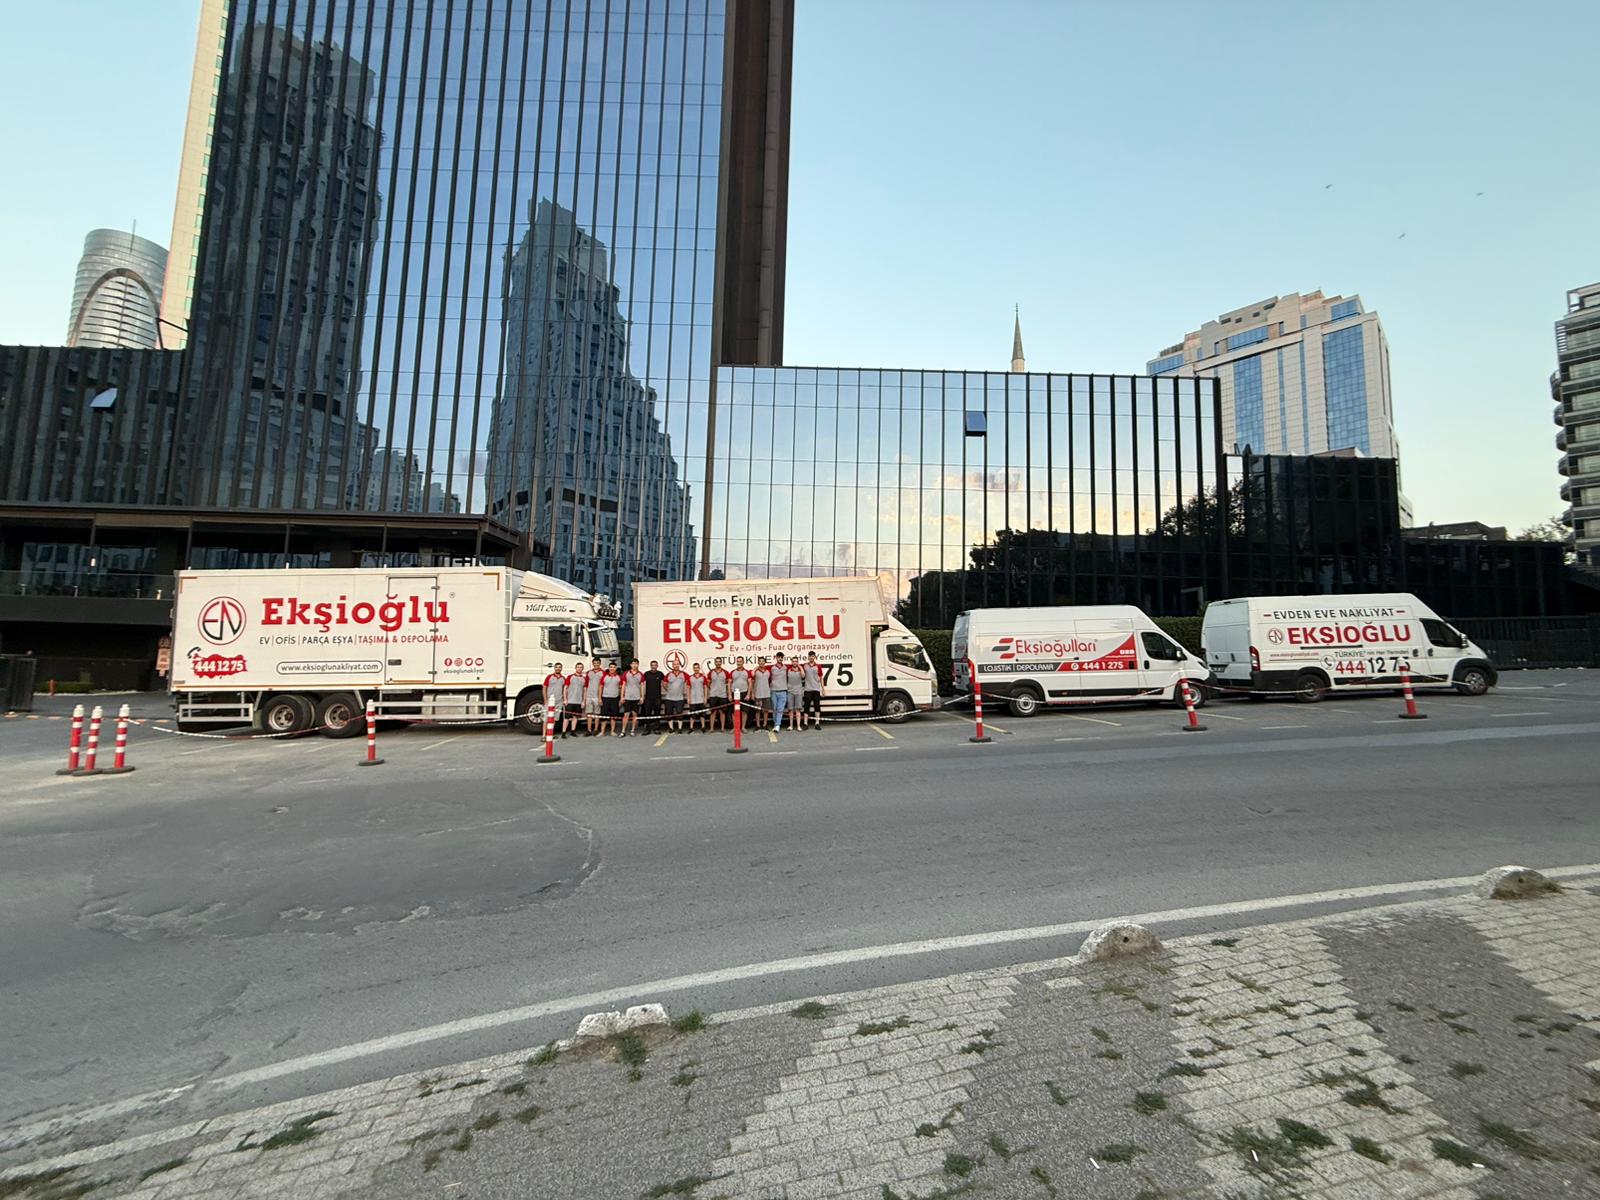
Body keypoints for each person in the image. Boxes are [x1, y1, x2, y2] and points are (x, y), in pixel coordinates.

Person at [802, 652, 825, 731]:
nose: (811, 657)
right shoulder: (805, 665)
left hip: (816, 689)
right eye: (810, 656)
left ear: (815, 657)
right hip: (807, 689)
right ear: (808, 657)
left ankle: (817, 723)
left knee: (817, 706)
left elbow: (821, 678)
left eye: (812, 656)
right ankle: (805, 723)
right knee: (806, 707)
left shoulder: (818, 666)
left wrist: (823, 689)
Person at [621, 659, 644, 736]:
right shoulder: (626, 673)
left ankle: (632, 730)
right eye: (633, 663)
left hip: (636, 697)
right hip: (627, 697)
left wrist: (642, 697)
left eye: (636, 663)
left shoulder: (641, 674)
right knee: (626, 715)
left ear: (638, 664)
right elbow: (623, 685)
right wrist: (622, 696)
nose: (634, 665)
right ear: (630, 665)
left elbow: (642, 686)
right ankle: (623, 731)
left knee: (635, 715)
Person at [562, 663, 586, 738]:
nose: (579, 668)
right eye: (578, 667)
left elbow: (585, 691)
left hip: (578, 701)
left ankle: (573, 731)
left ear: (582, 669)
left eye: (581, 667)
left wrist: (583, 701)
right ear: (575, 668)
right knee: (566, 717)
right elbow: (565, 688)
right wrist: (565, 699)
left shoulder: (584, 679)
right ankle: (563, 732)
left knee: (575, 717)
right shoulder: (570, 677)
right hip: (570, 701)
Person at [662, 662, 687, 732]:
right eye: (674, 664)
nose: (676, 666)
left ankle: (680, 728)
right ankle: (671, 728)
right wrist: (669, 690)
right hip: (669, 698)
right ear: (672, 665)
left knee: (679, 713)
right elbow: (664, 684)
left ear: (679, 665)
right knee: (669, 714)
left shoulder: (684, 674)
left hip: (679, 698)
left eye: (677, 664)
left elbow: (691, 681)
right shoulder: (668, 674)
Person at [769, 652, 790, 733]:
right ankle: (775, 723)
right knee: (774, 708)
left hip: (783, 691)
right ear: (776, 658)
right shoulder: (772, 668)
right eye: (779, 657)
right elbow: (761, 667)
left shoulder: (786, 668)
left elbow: (796, 666)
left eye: (781, 657)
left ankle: (777, 725)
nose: (780, 658)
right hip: (774, 691)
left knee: (780, 709)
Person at [707, 656, 730, 732]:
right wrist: (713, 689)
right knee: (712, 712)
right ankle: (711, 728)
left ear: (721, 663)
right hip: (713, 695)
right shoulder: (711, 672)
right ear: (715, 663)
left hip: (722, 695)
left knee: (722, 712)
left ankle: (722, 728)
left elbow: (728, 684)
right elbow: (708, 684)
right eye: (716, 662)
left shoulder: (725, 672)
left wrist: (727, 693)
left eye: (719, 662)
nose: (718, 663)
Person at [600, 661, 622, 736]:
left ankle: (612, 731)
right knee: (604, 716)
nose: (612, 668)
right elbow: (600, 688)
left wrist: (620, 699)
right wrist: (600, 698)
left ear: (616, 668)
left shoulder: (619, 677)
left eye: (614, 667)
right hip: (605, 698)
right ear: (609, 668)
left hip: (615, 699)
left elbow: (621, 688)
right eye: (611, 667)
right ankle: (602, 732)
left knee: (614, 716)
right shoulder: (604, 677)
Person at [584, 658, 605, 736]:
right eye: (595, 663)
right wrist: (585, 697)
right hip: (589, 696)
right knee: (589, 713)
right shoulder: (588, 673)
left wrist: (600, 697)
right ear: (592, 663)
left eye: (597, 663)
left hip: (597, 696)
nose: (596, 664)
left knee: (597, 714)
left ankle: (596, 729)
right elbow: (586, 685)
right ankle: (589, 730)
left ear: (600, 663)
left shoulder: (603, 673)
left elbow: (603, 685)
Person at [542, 662, 565, 732]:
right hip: (549, 701)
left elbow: (564, 690)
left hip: (559, 701)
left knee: (555, 718)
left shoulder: (563, 678)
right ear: (554, 668)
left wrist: (563, 699)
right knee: (546, 718)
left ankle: (550, 733)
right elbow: (544, 688)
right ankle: (544, 735)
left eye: (559, 667)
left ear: (561, 668)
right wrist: (545, 699)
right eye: (556, 667)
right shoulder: (549, 677)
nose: (558, 668)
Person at [730, 656, 752, 728]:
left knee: (744, 711)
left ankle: (743, 727)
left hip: (744, 693)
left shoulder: (747, 672)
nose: (739, 663)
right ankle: (735, 728)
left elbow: (750, 683)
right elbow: (729, 683)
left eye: (740, 661)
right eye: (738, 661)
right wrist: (729, 694)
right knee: (734, 712)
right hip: (734, 693)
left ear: (743, 662)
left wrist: (748, 694)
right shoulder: (732, 672)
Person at [687, 662, 709, 733]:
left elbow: (705, 688)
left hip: (701, 699)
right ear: (693, 669)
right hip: (693, 700)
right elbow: (688, 688)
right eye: (694, 668)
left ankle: (703, 727)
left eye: (697, 668)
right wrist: (688, 698)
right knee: (692, 715)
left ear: (699, 668)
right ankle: (691, 728)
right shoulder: (690, 677)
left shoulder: (703, 677)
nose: (696, 669)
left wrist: (705, 698)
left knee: (702, 715)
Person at [752, 654, 772, 728]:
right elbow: (752, 675)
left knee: (765, 710)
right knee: (757, 711)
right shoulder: (756, 671)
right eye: (760, 661)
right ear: (758, 662)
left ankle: (765, 725)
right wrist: (753, 693)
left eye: (763, 661)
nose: (761, 662)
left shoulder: (768, 672)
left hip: (766, 694)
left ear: (765, 662)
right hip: (758, 694)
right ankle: (758, 725)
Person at [643, 660, 664, 730]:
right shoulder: (646, 674)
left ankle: (657, 728)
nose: (653, 666)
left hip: (657, 697)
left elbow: (664, 684)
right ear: (650, 666)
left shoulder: (660, 674)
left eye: (655, 665)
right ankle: (647, 729)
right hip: (648, 698)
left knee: (657, 713)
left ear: (657, 666)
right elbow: (643, 684)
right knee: (647, 713)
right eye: (652, 665)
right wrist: (642, 695)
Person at [786, 657, 806, 731]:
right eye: (793, 661)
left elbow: (803, 676)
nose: (794, 662)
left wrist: (800, 667)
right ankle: (791, 726)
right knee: (790, 710)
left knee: (798, 710)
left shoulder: (800, 670)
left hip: (798, 692)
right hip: (790, 692)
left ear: (797, 662)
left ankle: (798, 726)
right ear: (791, 662)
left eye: (796, 661)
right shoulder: (788, 670)